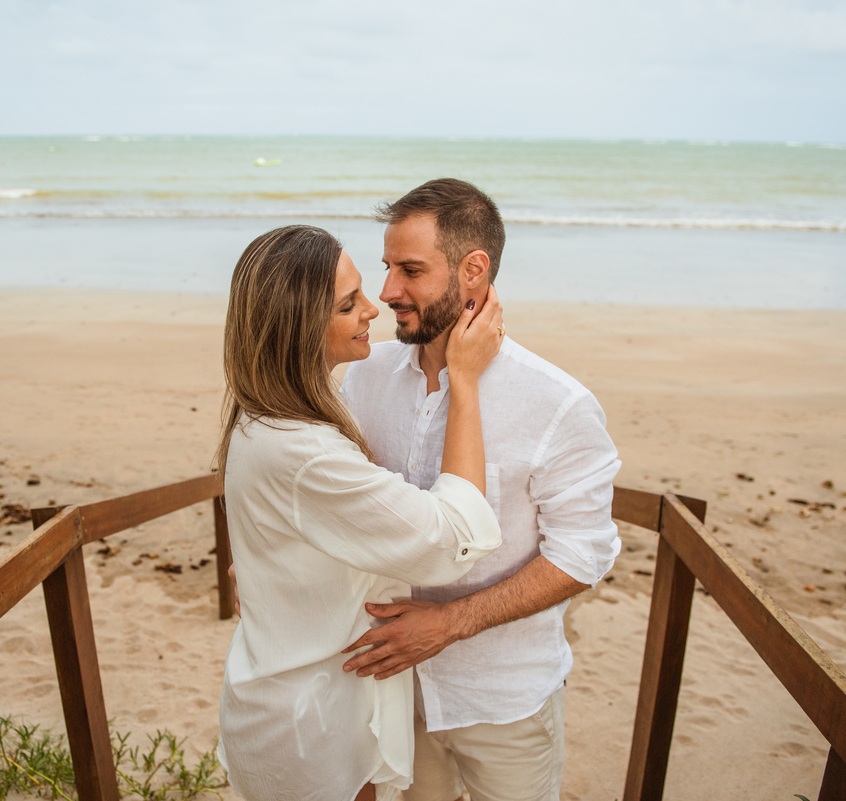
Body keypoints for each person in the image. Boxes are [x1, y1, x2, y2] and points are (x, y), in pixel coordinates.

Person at [338, 179, 622, 801]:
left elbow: (583, 555)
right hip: (391, 692)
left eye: (411, 270)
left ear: (473, 270)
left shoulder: (557, 403)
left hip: (505, 698)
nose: (388, 292)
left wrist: (450, 623)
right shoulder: (363, 380)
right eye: (387, 267)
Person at [215, 224, 507, 801]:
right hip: (313, 720)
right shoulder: (303, 450)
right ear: (300, 328)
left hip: (292, 695)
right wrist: (465, 382)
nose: (375, 306)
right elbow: (450, 540)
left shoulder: (268, 417)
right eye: (349, 304)